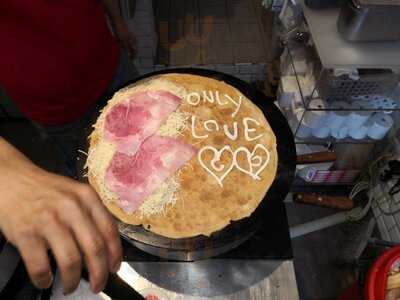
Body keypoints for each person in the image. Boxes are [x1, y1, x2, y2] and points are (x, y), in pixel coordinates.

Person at [0, 1, 138, 296]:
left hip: (110, 63)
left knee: (146, 158)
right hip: (57, 106)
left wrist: (117, 19)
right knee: (95, 187)